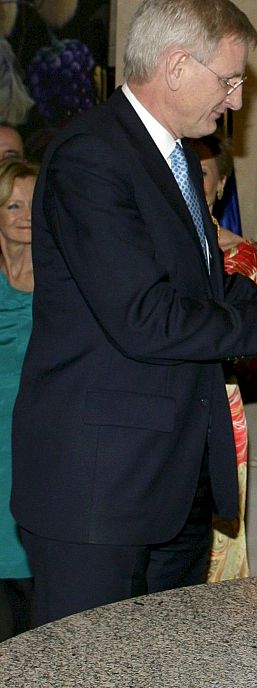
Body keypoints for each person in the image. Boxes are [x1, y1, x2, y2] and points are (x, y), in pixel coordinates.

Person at [11, 0, 257, 626]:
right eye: (228, 79)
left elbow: (211, 292)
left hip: (174, 486)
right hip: (99, 493)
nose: (237, 98)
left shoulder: (178, 162)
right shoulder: (91, 156)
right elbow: (145, 318)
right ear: (175, 67)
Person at [189, 132, 257, 580]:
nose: (194, 180)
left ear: (221, 184)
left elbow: (254, 357)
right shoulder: (153, 243)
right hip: (167, 402)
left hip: (224, 404)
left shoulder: (249, 255)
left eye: (204, 173)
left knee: (219, 536)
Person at [0, 159, 38, 640]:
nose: (25, 215)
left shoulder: (65, 283)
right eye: (13, 204)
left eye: (33, 204)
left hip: (38, 455)